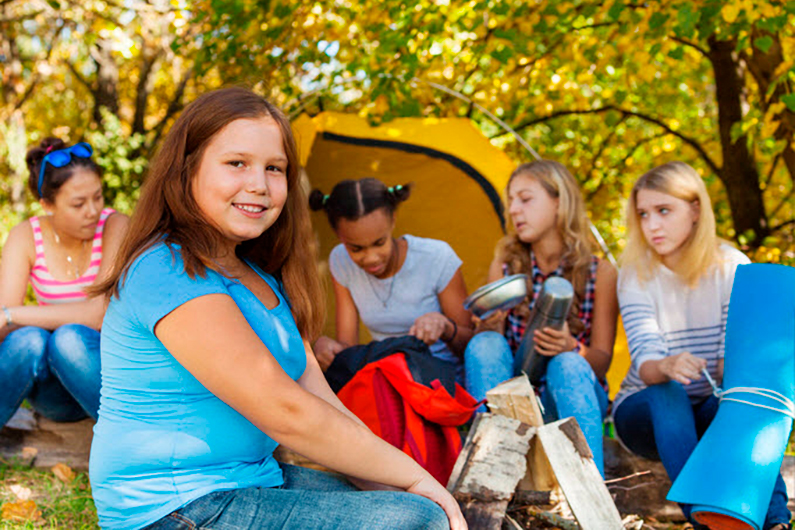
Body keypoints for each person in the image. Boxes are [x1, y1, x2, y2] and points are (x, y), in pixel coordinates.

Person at [88, 87, 466, 530]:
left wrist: (403, 482)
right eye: (237, 163)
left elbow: (320, 399)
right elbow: (287, 413)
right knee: (416, 521)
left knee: (414, 507)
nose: (259, 185)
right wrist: (419, 479)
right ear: (186, 168)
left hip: (253, 481)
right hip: (175, 507)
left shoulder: (260, 277)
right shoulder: (165, 269)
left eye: (274, 168)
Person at [612, 161, 791, 529]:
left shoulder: (731, 267)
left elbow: (736, 369)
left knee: (744, 401)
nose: (652, 226)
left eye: (664, 211)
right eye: (643, 214)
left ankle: (774, 521)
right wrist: (666, 366)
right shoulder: (635, 273)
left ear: (695, 209)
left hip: (710, 411)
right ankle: (704, 522)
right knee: (668, 393)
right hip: (644, 414)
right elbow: (646, 364)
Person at [463, 160, 618, 477]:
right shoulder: (507, 263)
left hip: (571, 394)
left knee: (569, 364)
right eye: (511, 201)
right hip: (517, 400)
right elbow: (495, 354)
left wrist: (572, 347)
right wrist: (490, 327)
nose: (514, 210)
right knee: (486, 344)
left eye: (525, 199)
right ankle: (486, 478)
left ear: (560, 202)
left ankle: (594, 496)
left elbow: (601, 362)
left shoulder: (600, 273)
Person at [0, 137, 128, 428]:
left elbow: (99, 314)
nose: (93, 210)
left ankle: (133, 442)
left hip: (103, 376)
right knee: (27, 340)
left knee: (69, 338)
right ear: (47, 204)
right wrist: (8, 319)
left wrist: (11, 314)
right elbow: (4, 331)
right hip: (54, 394)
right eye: (78, 204)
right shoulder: (25, 237)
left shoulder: (115, 226)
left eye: (98, 196)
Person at [308, 178, 473, 381]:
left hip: (441, 383)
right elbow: (348, 349)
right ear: (338, 234)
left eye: (379, 242)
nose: (371, 258)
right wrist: (328, 348)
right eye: (356, 248)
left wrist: (446, 327)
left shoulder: (436, 257)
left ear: (393, 220)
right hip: (388, 380)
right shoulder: (340, 260)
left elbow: (471, 346)